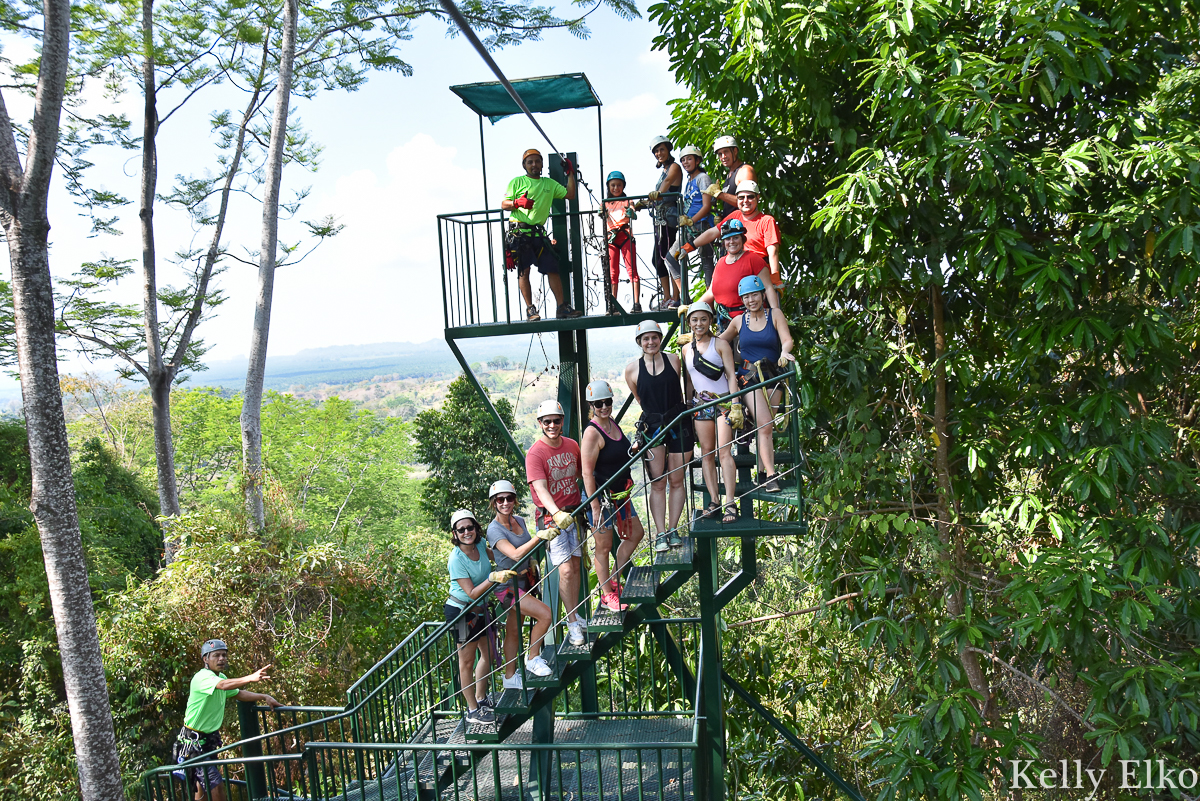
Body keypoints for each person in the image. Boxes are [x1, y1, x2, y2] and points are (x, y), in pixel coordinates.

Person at [176, 639, 281, 801]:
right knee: (215, 786)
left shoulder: (221, 677)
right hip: (193, 744)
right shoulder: (202, 677)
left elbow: (236, 693)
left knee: (202, 788)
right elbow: (224, 686)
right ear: (205, 659)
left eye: (224, 655)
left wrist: (264, 696)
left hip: (208, 741)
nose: (221, 659)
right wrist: (251, 677)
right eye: (216, 655)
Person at [719, 275, 796, 493]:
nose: (751, 300)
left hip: (772, 374)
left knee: (767, 427)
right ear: (742, 300)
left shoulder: (775, 314)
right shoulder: (738, 321)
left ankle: (761, 473)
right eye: (746, 297)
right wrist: (698, 340)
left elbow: (787, 338)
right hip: (749, 378)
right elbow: (721, 340)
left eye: (754, 295)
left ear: (763, 295)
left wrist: (784, 351)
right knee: (764, 424)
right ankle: (772, 476)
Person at [525, 399, 588, 647]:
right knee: (565, 570)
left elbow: (583, 474)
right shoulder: (536, 453)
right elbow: (540, 488)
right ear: (541, 424)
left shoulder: (572, 446)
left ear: (563, 422)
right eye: (547, 421)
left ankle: (576, 613)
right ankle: (572, 622)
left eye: (556, 420)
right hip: (553, 519)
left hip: (574, 513)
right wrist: (555, 512)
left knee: (575, 566)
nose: (552, 425)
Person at [580, 379, 646, 611]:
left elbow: (617, 455)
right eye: (599, 404)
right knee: (603, 546)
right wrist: (595, 506)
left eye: (607, 402)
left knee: (636, 532)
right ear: (591, 406)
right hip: (601, 497)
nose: (604, 407)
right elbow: (587, 472)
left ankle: (614, 579)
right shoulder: (592, 433)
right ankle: (607, 594)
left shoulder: (612, 424)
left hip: (619, 494)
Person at [446, 508, 516, 724]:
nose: (467, 532)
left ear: (475, 528)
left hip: (482, 608)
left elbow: (501, 556)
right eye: (461, 529)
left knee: (488, 654)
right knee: (466, 661)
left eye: (470, 527)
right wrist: (494, 578)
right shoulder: (456, 559)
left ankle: (481, 697)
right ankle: (472, 710)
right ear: (455, 533)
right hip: (462, 611)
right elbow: (472, 593)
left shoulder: (480, 545)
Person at [624, 320, 688, 552]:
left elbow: (681, 390)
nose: (650, 342)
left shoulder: (674, 360)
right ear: (640, 342)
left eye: (654, 337)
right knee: (658, 482)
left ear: (660, 339)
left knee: (677, 480)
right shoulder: (632, 369)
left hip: (678, 422)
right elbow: (641, 399)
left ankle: (672, 529)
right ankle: (660, 533)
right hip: (653, 427)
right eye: (646, 339)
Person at [484, 479, 556, 687]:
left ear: (514, 500)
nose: (505, 502)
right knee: (545, 614)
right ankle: (532, 658)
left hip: (525, 580)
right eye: (500, 499)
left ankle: (509, 677)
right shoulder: (494, 530)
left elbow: (523, 552)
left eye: (509, 498)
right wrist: (539, 538)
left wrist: (531, 561)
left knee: (514, 629)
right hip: (507, 587)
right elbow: (514, 554)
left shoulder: (519, 521)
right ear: (494, 503)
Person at [501, 149, 585, 321]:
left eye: (537, 161)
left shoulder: (549, 184)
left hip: (538, 233)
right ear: (524, 165)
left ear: (542, 164)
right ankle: (530, 309)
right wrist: (517, 203)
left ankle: (562, 307)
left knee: (552, 268)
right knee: (524, 271)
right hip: (520, 232)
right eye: (530, 162)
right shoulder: (517, 182)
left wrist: (570, 173)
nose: (534, 165)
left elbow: (570, 194)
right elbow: (504, 204)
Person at [680, 303, 744, 524]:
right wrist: (687, 404)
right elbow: (689, 380)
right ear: (689, 323)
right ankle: (714, 500)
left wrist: (735, 403)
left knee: (724, 452)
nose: (699, 324)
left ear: (710, 321)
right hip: (700, 404)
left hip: (723, 401)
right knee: (707, 453)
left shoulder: (720, 344)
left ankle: (730, 502)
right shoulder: (686, 349)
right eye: (695, 320)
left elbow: (731, 376)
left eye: (703, 319)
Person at [690, 180, 783, 287]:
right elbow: (713, 232)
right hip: (734, 269)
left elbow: (773, 252)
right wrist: (691, 246)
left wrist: (775, 277)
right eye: (741, 197)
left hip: (757, 272)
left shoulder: (766, 221)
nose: (746, 201)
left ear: (757, 198)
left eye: (750, 197)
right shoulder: (735, 216)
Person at [693, 219, 780, 327]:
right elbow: (711, 292)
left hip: (749, 320)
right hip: (725, 320)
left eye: (735, 237)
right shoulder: (720, 263)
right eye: (728, 239)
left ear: (742, 239)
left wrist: (776, 315)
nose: (732, 241)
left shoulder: (753, 259)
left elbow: (768, 288)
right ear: (724, 242)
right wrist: (692, 308)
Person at [647, 136, 683, 308]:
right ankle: (668, 296)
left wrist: (654, 197)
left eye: (661, 150)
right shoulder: (665, 169)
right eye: (656, 151)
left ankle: (676, 297)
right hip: (661, 218)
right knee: (657, 259)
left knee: (667, 257)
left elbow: (666, 185)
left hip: (669, 219)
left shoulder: (674, 168)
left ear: (668, 150)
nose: (659, 153)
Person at [673, 145, 716, 285]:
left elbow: (707, 206)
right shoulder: (689, 181)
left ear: (697, 161)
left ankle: (710, 301)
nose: (685, 162)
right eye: (683, 160)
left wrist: (691, 221)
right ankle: (684, 297)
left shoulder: (702, 178)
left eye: (689, 159)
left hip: (702, 225)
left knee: (707, 262)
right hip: (691, 228)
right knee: (671, 256)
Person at [603, 171, 640, 314]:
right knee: (613, 273)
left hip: (624, 236)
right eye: (613, 185)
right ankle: (612, 305)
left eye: (619, 185)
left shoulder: (628, 200)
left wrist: (632, 213)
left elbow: (632, 211)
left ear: (623, 186)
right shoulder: (605, 203)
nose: (616, 188)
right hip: (611, 238)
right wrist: (602, 212)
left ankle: (636, 303)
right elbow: (602, 213)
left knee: (632, 270)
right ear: (609, 186)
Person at [706, 135, 758, 219]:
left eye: (726, 152)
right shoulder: (730, 174)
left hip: (743, 227)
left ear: (735, 151)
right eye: (720, 154)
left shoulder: (744, 171)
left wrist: (720, 194)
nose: (723, 157)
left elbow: (747, 201)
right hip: (731, 227)